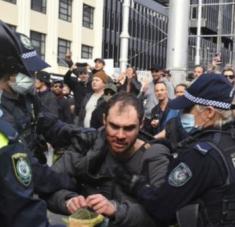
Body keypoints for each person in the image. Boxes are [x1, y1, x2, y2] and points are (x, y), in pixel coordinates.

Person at [115, 74, 235, 227]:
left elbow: (162, 207)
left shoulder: (201, 155)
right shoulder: (228, 142)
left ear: (209, 112)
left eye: (187, 109)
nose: (182, 114)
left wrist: (137, 185)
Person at [37, 92, 171, 227]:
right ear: (104, 120)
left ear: (141, 124)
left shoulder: (154, 156)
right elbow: (49, 185)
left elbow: (163, 212)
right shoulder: (86, 144)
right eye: (114, 126)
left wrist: (115, 210)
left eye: (128, 128)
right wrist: (68, 201)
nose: (120, 135)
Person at [0, 20, 75, 227]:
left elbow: (49, 123)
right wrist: (65, 182)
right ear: (10, 73)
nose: (33, 78)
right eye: (28, 73)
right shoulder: (3, 119)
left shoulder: (27, 98)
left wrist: (82, 134)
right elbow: (28, 170)